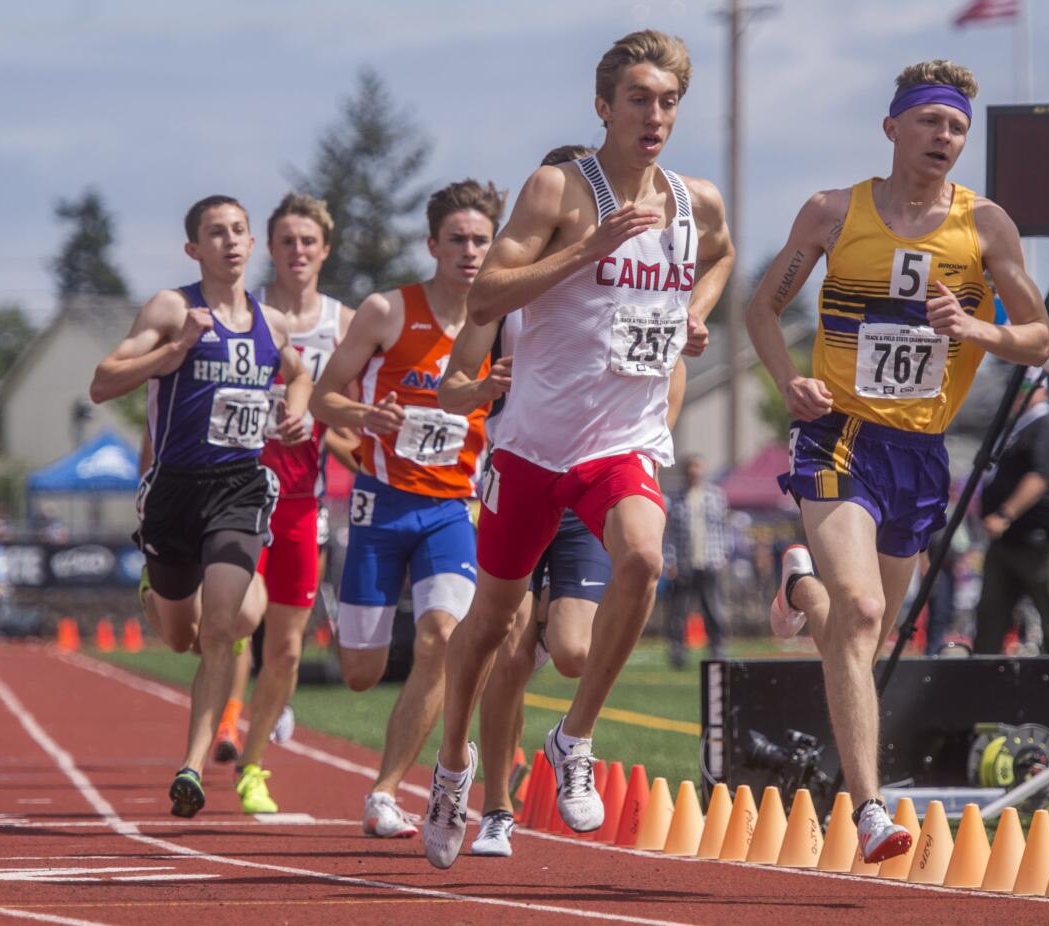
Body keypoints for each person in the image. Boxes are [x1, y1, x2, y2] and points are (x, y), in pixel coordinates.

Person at [422, 29, 734, 870]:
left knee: (644, 560)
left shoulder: (691, 200)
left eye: (668, 101)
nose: (655, 115)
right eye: (639, 99)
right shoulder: (558, 188)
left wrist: (691, 315)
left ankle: (575, 737)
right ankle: (452, 770)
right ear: (603, 107)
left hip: (621, 441)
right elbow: (485, 290)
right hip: (532, 447)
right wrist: (587, 249)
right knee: (490, 627)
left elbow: (726, 254)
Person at [744, 60, 1049, 863]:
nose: (945, 138)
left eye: (957, 128)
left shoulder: (986, 227)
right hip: (838, 430)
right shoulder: (832, 213)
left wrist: (975, 330)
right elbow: (761, 307)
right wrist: (789, 381)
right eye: (930, 122)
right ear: (893, 128)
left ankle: (796, 582)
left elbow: (1039, 336)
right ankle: (871, 808)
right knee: (865, 613)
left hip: (918, 451)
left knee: (860, 630)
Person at [89, 195, 312, 818]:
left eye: (240, 230)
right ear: (195, 249)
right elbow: (103, 381)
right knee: (181, 632)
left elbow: (298, 373)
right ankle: (155, 592)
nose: (232, 241)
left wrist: (295, 409)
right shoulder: (171, 307)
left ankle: (190, 765)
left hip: (239, 487)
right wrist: (174, 351)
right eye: (217, 233)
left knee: (222, 627)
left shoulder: (272, 323)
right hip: (173, 492)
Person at [309, 179, 502, 839]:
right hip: (380, 504)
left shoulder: (502, 320)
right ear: (433, 245)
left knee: (443, 639)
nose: (470, 252)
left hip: (453, 509)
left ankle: (388, 792)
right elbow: (321, 399)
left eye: (481, 240)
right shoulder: (387, 312)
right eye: (458, 240)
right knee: (360, 672)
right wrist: (368, 415)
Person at [213, 193, 358, 815]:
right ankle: (225, 715)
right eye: (286, 241)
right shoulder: (245, 315)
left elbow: (355, 420)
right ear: (268, 249)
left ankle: (254, 767)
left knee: (290, 647)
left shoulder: (345, 325)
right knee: (237, 623)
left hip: (303, 501)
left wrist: (329, 425)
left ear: (324, 250)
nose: (297, 252)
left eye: (308, 242)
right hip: (239, 493)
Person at [974, 372, 1049, 655]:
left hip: (1041, 542)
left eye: (1026, 388)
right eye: (1015, 387)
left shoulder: (1046, 426)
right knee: (990, 617)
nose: (1018, 394)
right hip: (1007, 542)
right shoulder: (1016, 427)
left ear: (1041, 391)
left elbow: (1041, 477)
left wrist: (1005, 514)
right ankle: (981, 685)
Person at [664, 452, 730, 667]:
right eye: (691, 469)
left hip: (710, 561)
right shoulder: (676, 500)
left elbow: (723, 528)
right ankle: (677, 651)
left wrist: (722, 555)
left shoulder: (715, 496)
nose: (694, 473)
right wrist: (670, 560)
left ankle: (717, 647)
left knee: (713, 608)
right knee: (679, 611)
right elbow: (671, 534)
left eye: (697, 468)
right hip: (684, 563)